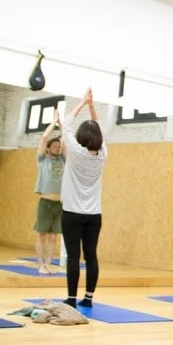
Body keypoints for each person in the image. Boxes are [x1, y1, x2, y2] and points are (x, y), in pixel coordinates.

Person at [60, 88, 107, 308]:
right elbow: (100, 131)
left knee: (73, 256)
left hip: (72, 213)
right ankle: (88, 298)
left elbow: (66, 123)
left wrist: (82, 102)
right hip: (93, 215)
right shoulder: (103, 154)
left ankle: (71, 298)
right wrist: (92, 107)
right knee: (91, 256)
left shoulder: (76, 152)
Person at [34, 111, 66, 273]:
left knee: (54, 236)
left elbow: (65, 139)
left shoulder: (62, 159)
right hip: (46, 202)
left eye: (58, 146)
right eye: (54, 146)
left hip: (59, 203)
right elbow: (44, 138)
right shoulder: (42, 159)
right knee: (42, 234)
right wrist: (54, 122)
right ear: (48, 149)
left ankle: (48, 263)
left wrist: (62, 124)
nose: (57, 147)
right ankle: (40, 264)